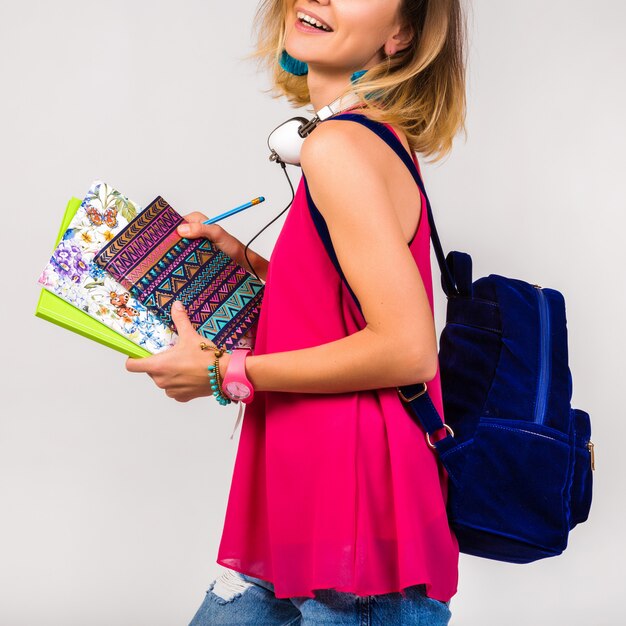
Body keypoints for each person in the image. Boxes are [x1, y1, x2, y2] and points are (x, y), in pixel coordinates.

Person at [126, 0, 468, 623]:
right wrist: (244, 263)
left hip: (355, 524)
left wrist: (227, 372)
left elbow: (405, 346)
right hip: (306, 501)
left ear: (402, 33)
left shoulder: (338, 147)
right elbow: (337, 304)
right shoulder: (356, 138)